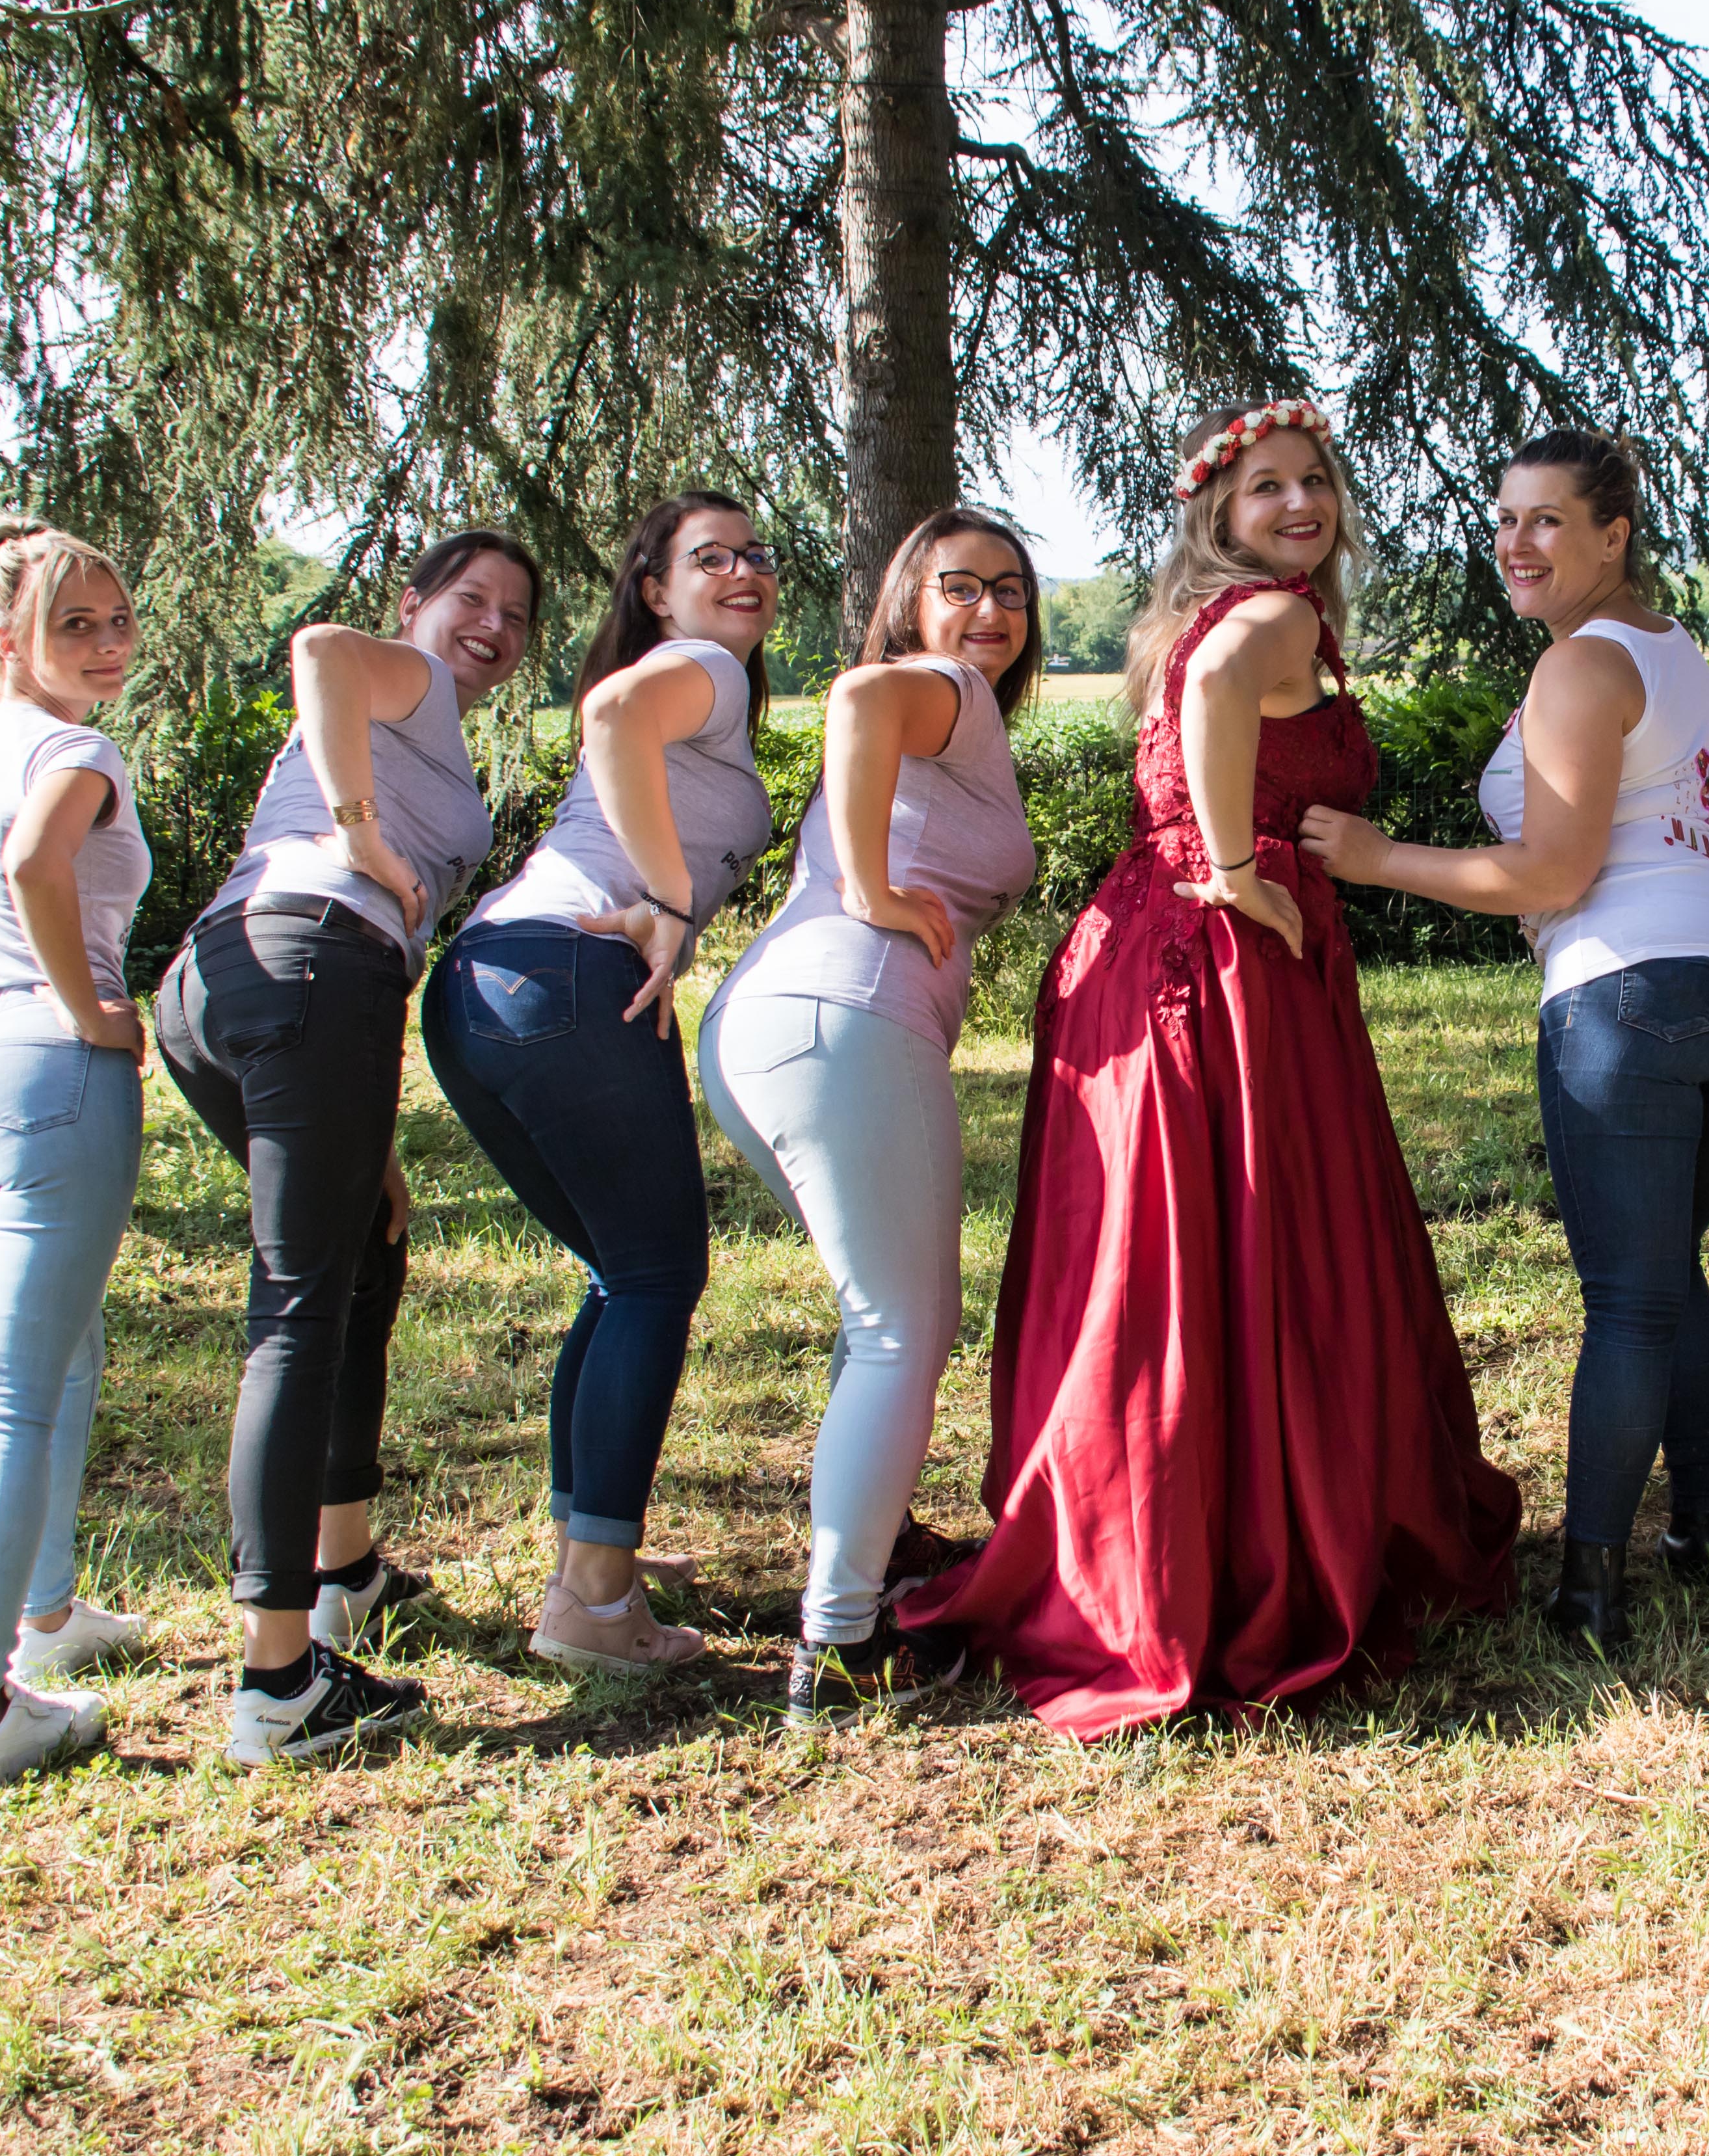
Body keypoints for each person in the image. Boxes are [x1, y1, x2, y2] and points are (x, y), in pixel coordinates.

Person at [904, 399, 1520, 1735]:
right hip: (1223, 955)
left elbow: (1202, 710)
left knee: (1162, 1246)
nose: (1302, 505)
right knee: (1242, 1230)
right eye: (1268, 489)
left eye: (1317, 482)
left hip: (1147, 943)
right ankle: (1239, 1548)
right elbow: (1224, 692)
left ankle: (1154, 1540)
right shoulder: (1269, 618)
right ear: (1221, 517)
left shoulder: (1204, 618)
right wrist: (1239, 871)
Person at [1299, 430, 1709, 1645]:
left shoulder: (1580, 664)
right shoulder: (1672, 652)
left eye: (1547, 521)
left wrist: (1376, 858)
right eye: (1505, 519)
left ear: (1613, 536)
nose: (1515, 544)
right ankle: (1704, 1534)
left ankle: (1590, 1589)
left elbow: (1556, 871)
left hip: (1633, 994)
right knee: (1666, 1268)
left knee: (1629, 1298)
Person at [159, 529, 540, 1766]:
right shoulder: (406, 680)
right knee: (300, 1308)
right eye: (470, 598)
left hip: (224, 988)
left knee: (363, 1256)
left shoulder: (429, 725)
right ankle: (278, 1681)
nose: (493, 626)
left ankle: (347, 1571)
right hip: (312, 958)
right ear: (412, 605)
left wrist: (364, 1134)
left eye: (517, 615)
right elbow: (320, 649)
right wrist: (364, 835)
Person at [425, 492, 776, 1677]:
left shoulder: (713, 688)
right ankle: (592, 1602)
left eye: (756, 554)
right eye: (710, 558)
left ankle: (591, 1549)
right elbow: (614, 712)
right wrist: (671, 897)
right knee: (655, 1277)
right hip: (568, 980)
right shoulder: (701, 671)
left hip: (484, 984)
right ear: (657, 593)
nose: (744, 571)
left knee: (616, 1273)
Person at [701, 508, 1042, 1724]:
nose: (992, 611)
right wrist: (871, 886)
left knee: (881, 1316)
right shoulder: (941, 685)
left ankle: (881, 1555)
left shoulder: (963, 709)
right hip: (844, 1021)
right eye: (962, 586)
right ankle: (840, 1646)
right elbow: (855, 702)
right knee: (906, 1327)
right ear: (911, 602)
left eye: (1012, 589)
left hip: (774, 1028)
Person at [0, 514, 152, 1792]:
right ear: (6, 637)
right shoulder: (73, 750)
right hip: (45, 1077)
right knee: (11, 1396)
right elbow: (34, 863)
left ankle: (51, 1611)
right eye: (74, 625)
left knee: (62, 1347)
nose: (106, 645)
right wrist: (87, 1009)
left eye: (116, 621)